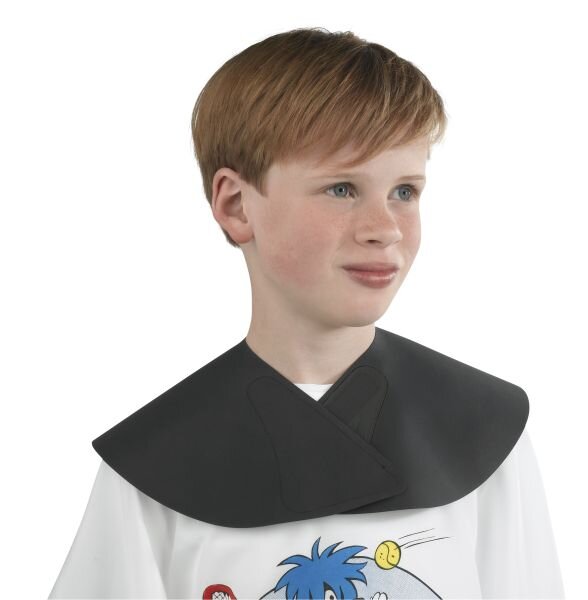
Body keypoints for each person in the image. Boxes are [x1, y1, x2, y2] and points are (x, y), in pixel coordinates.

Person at [48, 27, 564, 599]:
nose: (385, 228)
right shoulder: (152, 467)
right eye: (342, 189)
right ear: (237, 205)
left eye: (405, 191)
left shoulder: (485, 433)